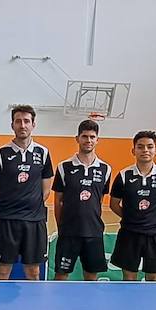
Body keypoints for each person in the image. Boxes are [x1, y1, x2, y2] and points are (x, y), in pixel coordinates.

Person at [0, 105, 53, 280]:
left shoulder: (43, 153)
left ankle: (33, 299)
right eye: (18, 121)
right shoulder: (1, 153)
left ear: (33, 124)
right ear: (12, 125)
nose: (22, 125)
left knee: (33, 272)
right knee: (3, 271)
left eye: (26, 121)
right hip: (6, 221)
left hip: (34, 222)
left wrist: (32, 206)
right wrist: (8, 208)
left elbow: (46, 188)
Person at [108, 130, 156, 281]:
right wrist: (131, 217)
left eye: (150, 146)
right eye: (140, 147)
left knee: (153, 277)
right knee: (129, 277)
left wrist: (154, 218)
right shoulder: (123, 176)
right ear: (133, 151)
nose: (145, 150)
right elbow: (114, 204)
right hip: (129, 234)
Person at [52, 119, 112, 280]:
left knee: (91, 276)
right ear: (77, 138)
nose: (88, 140)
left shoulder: (105, 169)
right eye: (84, 136)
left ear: (97, 140)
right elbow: (58, 201)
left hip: (93, 233)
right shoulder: (64, 167)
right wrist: (62, 227)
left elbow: (99, 200)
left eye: (92, 137)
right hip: (68, 232)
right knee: (61, 275)